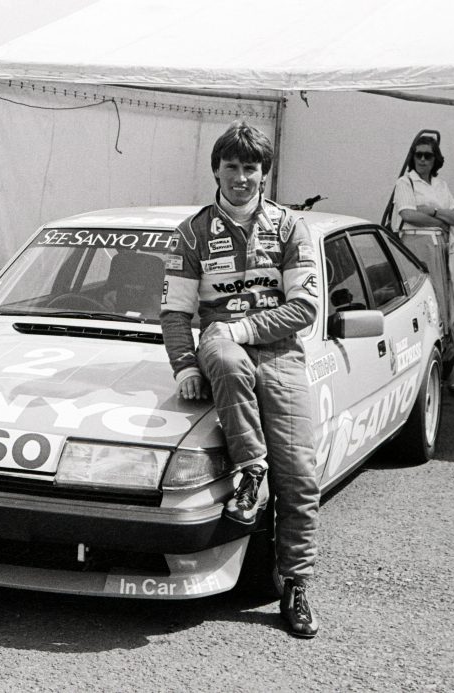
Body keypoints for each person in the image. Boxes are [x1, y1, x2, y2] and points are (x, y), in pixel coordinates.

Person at [161, 121, 320, 638]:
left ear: (264, 175)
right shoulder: (191, 232)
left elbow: (306, 307)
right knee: (225, 360)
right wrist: (185, 366)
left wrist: (247, 325)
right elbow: (175, 313)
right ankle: (252, 472)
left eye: (251, 168)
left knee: (298, 472)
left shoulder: (292, 227)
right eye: (232, 166)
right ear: (216, 169)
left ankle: (295, 584)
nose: (241, 177)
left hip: (280, 353)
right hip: (222, 344)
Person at [393, 136, 454, 398]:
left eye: (428, 155)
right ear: (412, 157)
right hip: (417, 248)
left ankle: (448, 368)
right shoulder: (405, 182)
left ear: (436, 159)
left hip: (442, 248)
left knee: (448, 305)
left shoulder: (440, 184)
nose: (422, 160)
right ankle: (437, 373)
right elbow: (408, 214)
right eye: (418, 155)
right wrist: (440, 217)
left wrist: (433, 213)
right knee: (425, 307)